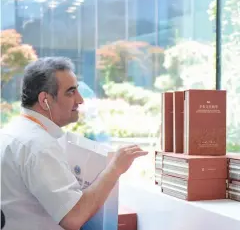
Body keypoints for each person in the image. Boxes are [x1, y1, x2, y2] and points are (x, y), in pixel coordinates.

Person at [0, 57, 148, 230]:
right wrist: (115, 168)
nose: (80, 100)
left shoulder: (12, 131)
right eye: (70, 92)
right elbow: (73, 217)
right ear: (44, 100)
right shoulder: (39, 146)